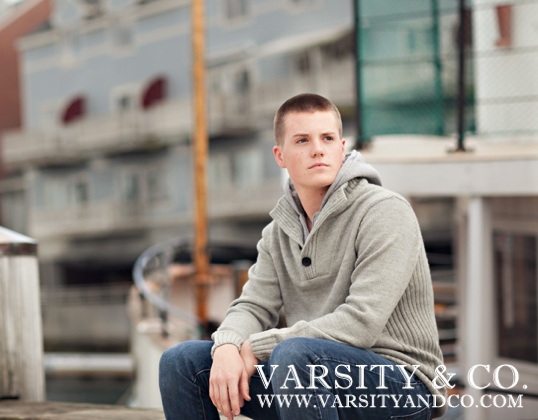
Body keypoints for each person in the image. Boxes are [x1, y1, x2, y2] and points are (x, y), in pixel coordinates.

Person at [159, 93, 447, 420]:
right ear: (280, 156)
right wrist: (227, 345)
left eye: (327, 138)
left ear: (342, 146)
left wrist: (255, 347)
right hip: (308, 372)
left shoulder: (385, 211)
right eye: (302, 140)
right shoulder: (278, 232)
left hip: (401, 383)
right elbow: (253, 305)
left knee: (294, 355)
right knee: (182, 363)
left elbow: (362, 322)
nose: (317, 149)